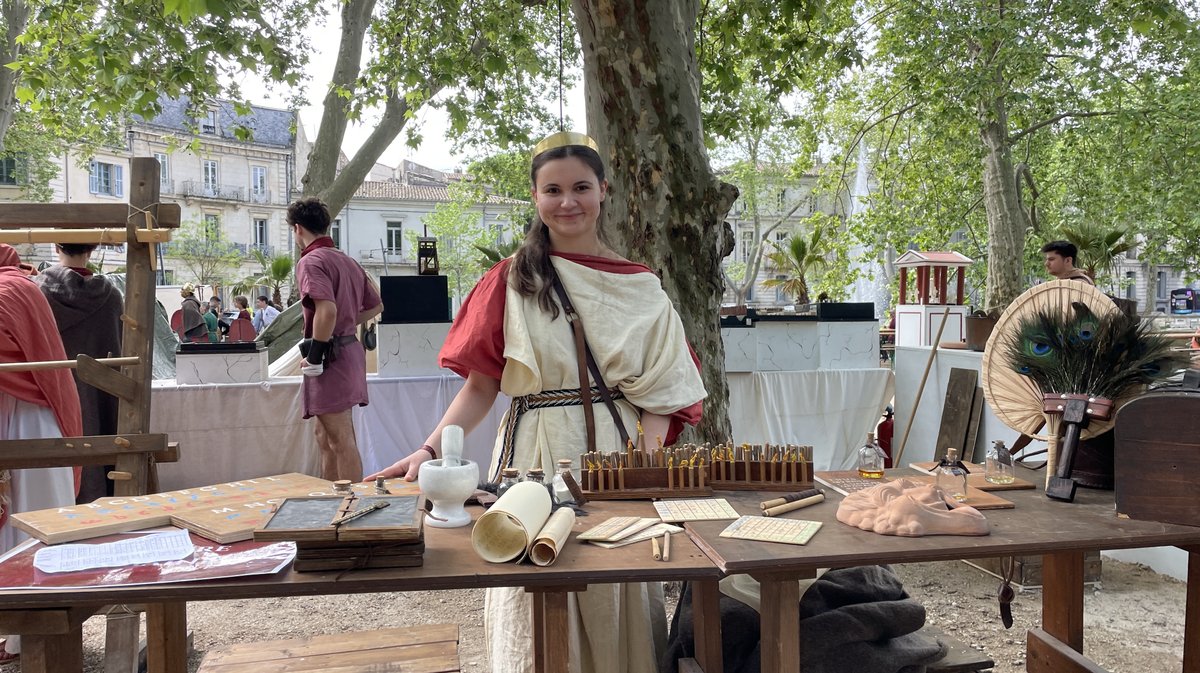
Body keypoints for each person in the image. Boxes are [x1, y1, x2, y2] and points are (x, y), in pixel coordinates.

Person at [366, 131, 706, 673]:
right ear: (535, 197)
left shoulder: (642, 287)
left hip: (615, 454)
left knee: (613, 576)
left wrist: (642, 463)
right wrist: (428, 452)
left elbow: (665, 392)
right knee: (528, 579)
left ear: (603, 192)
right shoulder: (510, 279)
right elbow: (481, 388)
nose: (567, 201)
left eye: (580, 187)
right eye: (553, 190)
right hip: (531, 451)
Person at [0, 244, 81, 662]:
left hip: (24, 415)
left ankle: (24, 630)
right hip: (38, 410)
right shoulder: (26, 286)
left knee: (26, 522)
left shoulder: (7, 292)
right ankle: (28, 629)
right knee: (36, 516)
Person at [290, 197, 383, 482]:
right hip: (347, 352)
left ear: (297, 229)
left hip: (330, 358)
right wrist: (341, 326)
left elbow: (326, 310)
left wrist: (316, 354)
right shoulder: (347, 260)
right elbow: (376, 305)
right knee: (325, 435)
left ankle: (351, 507)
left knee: (340, 438)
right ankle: (329, 501)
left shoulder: (311, 261)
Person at [35, 243, 123, 502]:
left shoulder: (38, 292)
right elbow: (118, 350)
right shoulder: (112, 296)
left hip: (53, 396)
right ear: (92, 249)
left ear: (56, 246)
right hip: (100, 394)